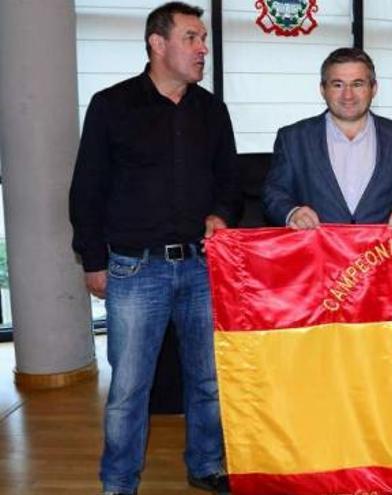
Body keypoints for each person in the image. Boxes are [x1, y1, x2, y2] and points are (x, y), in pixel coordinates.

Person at [68, 3, 240, 494]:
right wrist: (93, 260)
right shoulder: (111, 105)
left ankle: (206, 463)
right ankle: (119, 481)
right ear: (157, 44)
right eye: (191, 38)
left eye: (202, 38)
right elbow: (87, 189)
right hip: (133, 271)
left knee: (207, 381)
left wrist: (221, 215)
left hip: (202, 268)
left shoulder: (212, 111)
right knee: (128, 390)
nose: (202, 47)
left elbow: (229, 183)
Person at [263, 48, 392, 230]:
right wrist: (292, 212)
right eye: (338, 85)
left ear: (374, 89)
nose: (348, 95)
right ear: (323, 90)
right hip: (317, 252)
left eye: (357, 84)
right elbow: (274, 193)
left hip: (380, 254)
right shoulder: (293, 139)